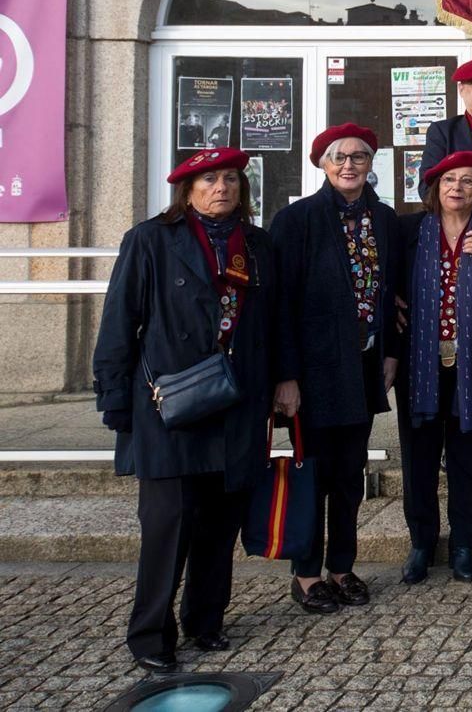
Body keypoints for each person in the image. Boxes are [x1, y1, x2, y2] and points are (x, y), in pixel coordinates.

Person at [93, 148, 282, 673]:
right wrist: (114, 401)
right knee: (167, 525)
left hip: (238, 402)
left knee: (221, 525)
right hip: (170, 405)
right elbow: (117, 325)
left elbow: (275, 323)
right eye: (208, 179)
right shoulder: (151, 240)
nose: (220, 187)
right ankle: (151, 633)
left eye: (229, 178)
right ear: (188, 189)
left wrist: (284, 383)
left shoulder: (259, 245)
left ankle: (206, 619)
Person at [270, 123, 403, 615]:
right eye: (339, 156)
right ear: (321, 164)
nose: (350, 164)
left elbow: (388, 296)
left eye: (360, 156)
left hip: (364, 365)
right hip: (313, 373)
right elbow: (280, 304)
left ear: (372, 164)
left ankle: (342, 566)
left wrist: (390, 352)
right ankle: (306, 575)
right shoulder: (296, 220)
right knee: (314, 475)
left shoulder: (384, 219)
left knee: (350, 475)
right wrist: (285, 375)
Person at [396, 151, 472, 586]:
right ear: (434, 188)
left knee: (467, 458)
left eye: (468, 181)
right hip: (419, 364)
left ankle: (462, 545)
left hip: (471, 366)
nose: (457, 187)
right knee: (418, 457)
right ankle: (422, 543)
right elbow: (385, 284)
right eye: (448, 180)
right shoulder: (409, 232)